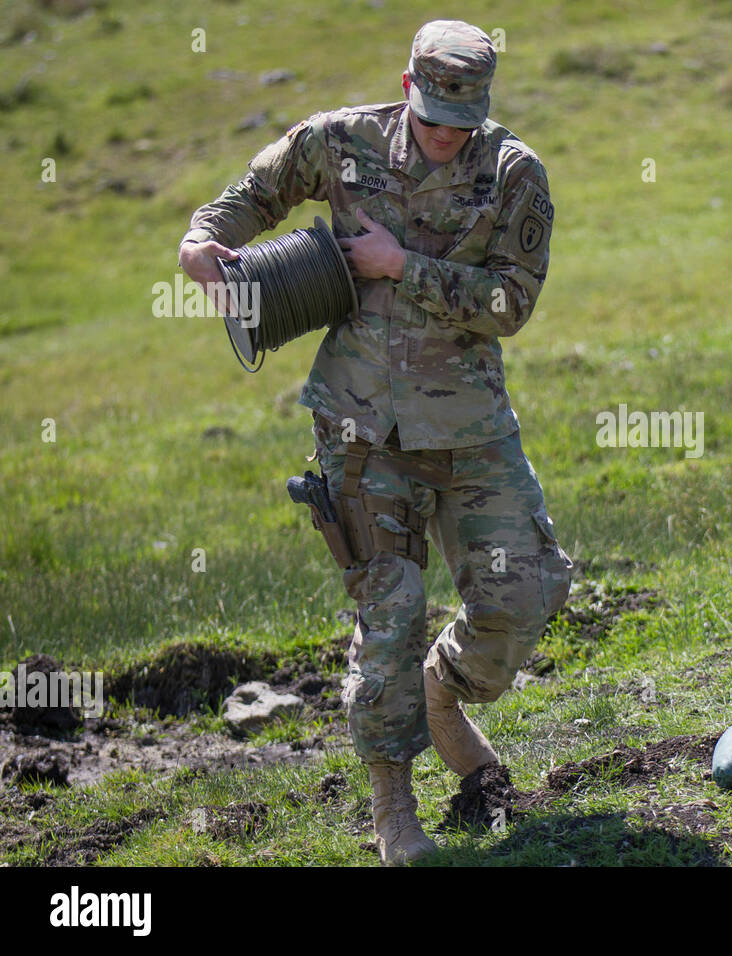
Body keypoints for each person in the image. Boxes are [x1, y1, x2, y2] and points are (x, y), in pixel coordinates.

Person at [178, 20, 572, 864]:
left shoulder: (515, 175)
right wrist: (205, 245)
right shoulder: (340, 140)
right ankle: (393, 806)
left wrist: (401, 267)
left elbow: (512, 305)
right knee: (388, 616)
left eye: (462, 121)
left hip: (469, 429)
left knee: (527, 594)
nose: (445, 136)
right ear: (406, 90)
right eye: (433, 118)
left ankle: (445, 690)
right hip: (359, 428)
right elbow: (249, 196)